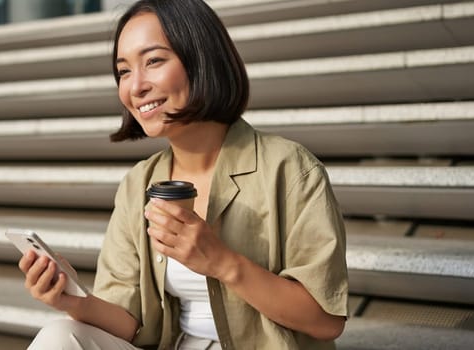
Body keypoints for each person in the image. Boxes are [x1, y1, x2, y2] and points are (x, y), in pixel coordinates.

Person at [19, 0, 348, 348]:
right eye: (124, 71)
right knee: (59, 335)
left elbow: (325, 321)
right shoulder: (138, 185)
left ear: (200, 60)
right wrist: (69, 299)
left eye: (154, 61)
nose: (136, 86)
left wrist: (221, 261)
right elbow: (130, 323)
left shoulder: (288, 167)